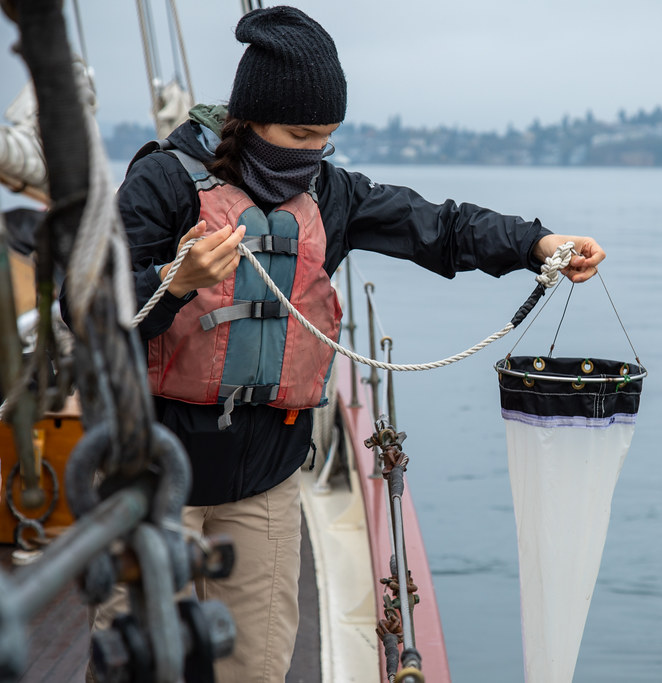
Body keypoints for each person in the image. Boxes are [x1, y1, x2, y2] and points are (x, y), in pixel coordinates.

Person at [109, 5, 605, 682]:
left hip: (265, 477)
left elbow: (439, 228)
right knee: (140, 666)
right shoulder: (162, 182)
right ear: (249, 116)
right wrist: (175, 281)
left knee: (253, 667)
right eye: (297, 133)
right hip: (155, 472)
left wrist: (536, 244)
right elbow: (95, 312)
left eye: (326, 137)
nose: (310, 151)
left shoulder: (330, 193)